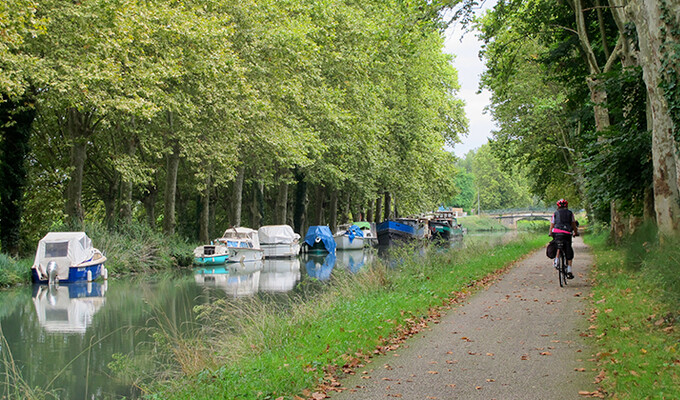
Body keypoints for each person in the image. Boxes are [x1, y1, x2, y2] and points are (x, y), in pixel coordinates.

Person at [549, 199, 579, 279]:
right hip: (566, 233)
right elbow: (573, 224)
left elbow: (552, 224)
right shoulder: (570, 213)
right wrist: (575, 232)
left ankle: (556, 260)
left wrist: (550, 233)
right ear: (566, 206)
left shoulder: (555, 213)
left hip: (557, 232)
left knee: (557, 244)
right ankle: (569, 269)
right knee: (568, 249)